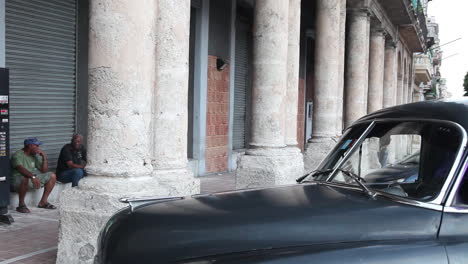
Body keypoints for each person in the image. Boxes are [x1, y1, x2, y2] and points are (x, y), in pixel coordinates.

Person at [11, 137, 57, 213]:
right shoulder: (17, 155)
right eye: (37, 146)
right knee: (24, 177)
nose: (39, 148)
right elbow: (20, 169)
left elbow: (44, 170)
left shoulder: (34, 156)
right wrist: (33, 176)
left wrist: (44, 157)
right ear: (30, 146)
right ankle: (21, 205)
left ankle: (43, 202)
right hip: (16, 181)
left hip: (30, 179)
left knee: (52, 175)